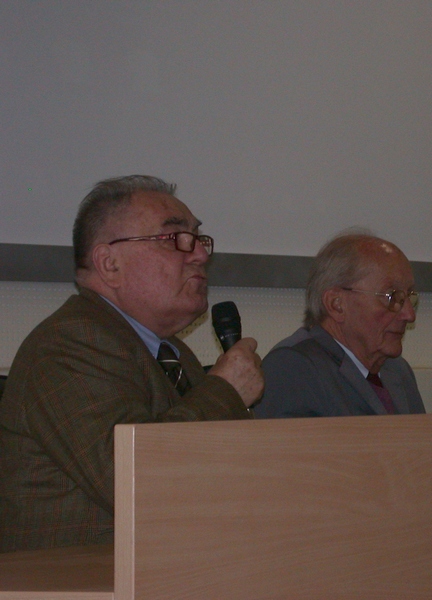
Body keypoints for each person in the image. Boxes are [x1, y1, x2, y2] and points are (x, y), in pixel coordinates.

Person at [0, 175, 264, 552]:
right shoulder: (70, 344)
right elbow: (136, 483)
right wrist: (225, 391)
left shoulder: (171, 351)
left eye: (199, 239)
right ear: (109, 264)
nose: (201, 255)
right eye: (175, 239)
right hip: (83, 581)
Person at [255, 232, 425, 418]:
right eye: (392, 297)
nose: (409, 314)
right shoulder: (292, 368)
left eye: (409, 296)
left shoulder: (398, 370)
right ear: (337, 305)